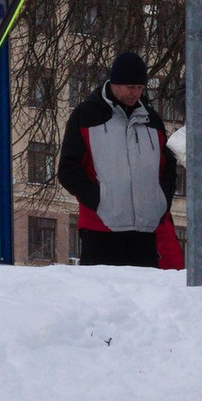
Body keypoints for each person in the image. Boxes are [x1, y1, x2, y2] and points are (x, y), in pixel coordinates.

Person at [57, 50, 178, 266]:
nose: (136, 93)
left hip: (145, 230)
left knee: (145, 298)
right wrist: (99, 200)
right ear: (115, 83)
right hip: (100, 229)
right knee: (102, 297)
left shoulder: (152, 119)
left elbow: (167, 166)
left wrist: (160, 202)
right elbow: (68, 169)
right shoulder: (86, 115)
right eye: (131, 87)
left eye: (140, 87)